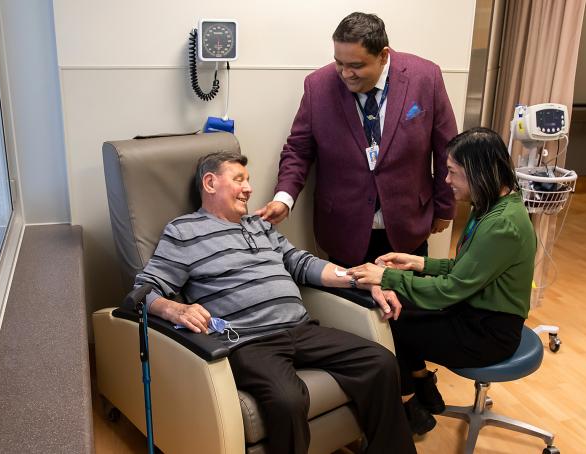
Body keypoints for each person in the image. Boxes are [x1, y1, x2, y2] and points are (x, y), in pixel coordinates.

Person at [134, 151, 415, 454]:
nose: (249, 188)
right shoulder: (184, 231)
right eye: (239, 179)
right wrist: (175, 307)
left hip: (302, 328)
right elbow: (143, 290)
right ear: (210, 182)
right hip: (249, 341)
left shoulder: (260, 225)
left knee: (382, 362)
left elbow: (302, 263)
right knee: (288, 400)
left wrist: (360, 279)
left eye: (249, 180)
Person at [348, 127, 537, 434]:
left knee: (391, 320)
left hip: (489, 333)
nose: (447, 181)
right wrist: (418, 262)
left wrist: (387, 276)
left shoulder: (502, 225)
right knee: (396, 308)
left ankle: (409, 409)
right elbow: (467, 269)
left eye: (452, 172)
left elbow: (449, 291)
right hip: (474, 311)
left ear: (478, 172)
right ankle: (422, 388)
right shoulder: (491, 207)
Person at [256, 12, 457, 266]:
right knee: (349, 306)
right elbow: (298, 150)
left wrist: (444, 207)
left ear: (383, 55)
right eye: (339, 62)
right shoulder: (317, 86)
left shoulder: (426, 77)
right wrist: (284, 199)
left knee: (406, 304)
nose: (345, 73)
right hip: (343, 231)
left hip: (408, 227)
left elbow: (446, 148)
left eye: (357, 66)